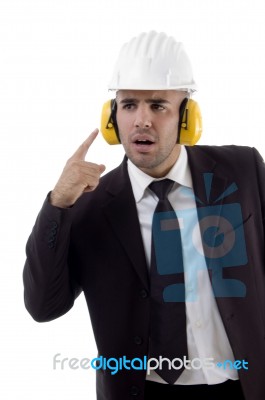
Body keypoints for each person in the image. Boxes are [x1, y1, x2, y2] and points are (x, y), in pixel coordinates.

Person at [23, 31, 265, 400]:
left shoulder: (243, 170)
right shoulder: (88, 205)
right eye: (129, 105)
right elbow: (43, 307)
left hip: (243, 386)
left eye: (158, 105)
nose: (142, 120)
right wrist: (58, 204)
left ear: (187, 117)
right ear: (112, 116)